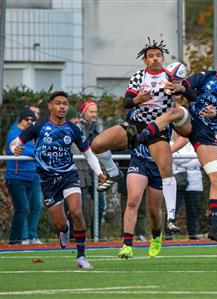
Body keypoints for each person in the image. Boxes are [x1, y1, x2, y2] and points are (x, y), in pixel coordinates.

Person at [134, 52, 217, 247]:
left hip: (207, 135)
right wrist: (176, 87)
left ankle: (215, 228)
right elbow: (186, 85)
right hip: (191, 122)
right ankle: (140, 137)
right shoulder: (205, 75)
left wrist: (216, 112)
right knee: (176, 111)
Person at [90, 38, 180, 233]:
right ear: (145, 60)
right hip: (136, 125)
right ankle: (113, 172)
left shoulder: (171, 76)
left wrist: (180, 88)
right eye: (151, 56)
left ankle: (171, 218)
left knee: (165, 171)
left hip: (159, 129)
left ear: (163, 58)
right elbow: (127, 101)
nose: (155, 59)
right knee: (97, 144)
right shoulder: (139, 76)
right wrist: (137, 99)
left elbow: (188, 93)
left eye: (158, 55)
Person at [9, 91, 106, 269]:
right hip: (47, 181)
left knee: (77, 212)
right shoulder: (38, 126)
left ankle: (81, 256)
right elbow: (15, 142)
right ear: (51, 106)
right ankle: (64, 230)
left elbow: (88, 153)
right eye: (58, 103)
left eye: (65, 104)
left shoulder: (72, 128)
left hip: (69, 176)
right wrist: (16, 148)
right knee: (61, 223)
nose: (62, 107)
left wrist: (99, 171)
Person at [118, 143, 164, 259]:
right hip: (139, 160)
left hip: (158, 162)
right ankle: (127, 245)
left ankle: (156, 236)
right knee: (132, 201)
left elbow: (184, 135)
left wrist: (169, 150)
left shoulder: (167, 124)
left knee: (153, 210)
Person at [5, 108, 42, 245]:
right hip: (17, 177)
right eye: (28, 119)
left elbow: (40, 147)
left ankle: (28, 237)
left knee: (35, 206)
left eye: (33, 120)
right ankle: (18, 239)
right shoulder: (14, 132)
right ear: (21, 119)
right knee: (22, 208)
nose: (30, 122)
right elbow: (16, 148)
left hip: (32, 177)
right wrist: (33, 152)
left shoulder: (33, 133)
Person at [75, 99, 106, 240]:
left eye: (96, 112)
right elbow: (80, 148)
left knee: (100, 204)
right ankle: (75, 236)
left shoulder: (99, 127)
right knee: (79, 207)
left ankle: (96, 235)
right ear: (84, 112)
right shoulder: (77, 127)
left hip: (96, 171)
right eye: (91, 111)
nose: (94, 114)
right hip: (80, 171)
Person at [171, 133, 203, 240]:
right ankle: (168, 235)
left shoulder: (195, 143)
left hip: (195, 182)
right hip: (177, 181)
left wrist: (183, 160)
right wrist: (191, 160)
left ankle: (192, 234)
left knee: (192, 211)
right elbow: (174, 158)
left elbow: (200, 160)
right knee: (173, 208)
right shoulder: (171, 143)